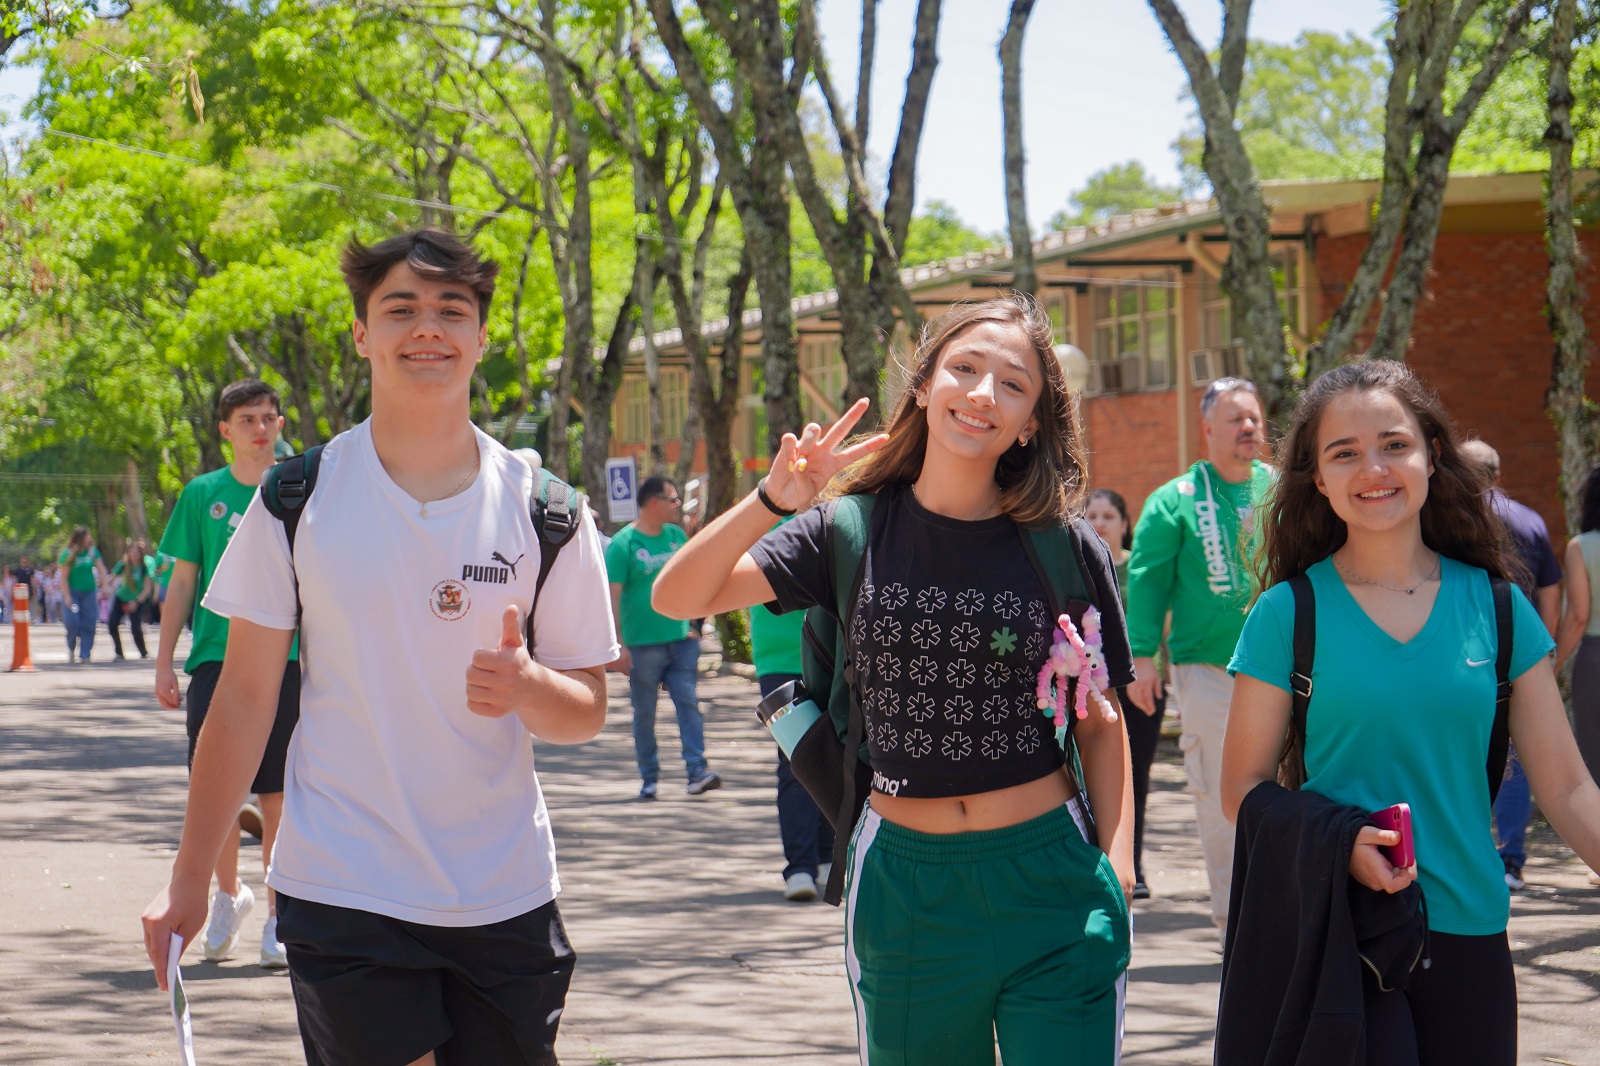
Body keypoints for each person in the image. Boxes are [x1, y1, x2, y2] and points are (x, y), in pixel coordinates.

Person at [142, 229, 616, 1066]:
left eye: (450, 311)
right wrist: (188, 880)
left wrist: (530, 685)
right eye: (400, 309)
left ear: (481, 338)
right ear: (363, 334)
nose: (425, 327)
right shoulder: (297, 498)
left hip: (502, 891)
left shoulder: (549, 512)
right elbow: (246, 698)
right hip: (343, 883)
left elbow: (585, 710)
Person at [652, 296, 1134, 1065]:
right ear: (924, 385)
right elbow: (677, 596)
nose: (983, 393)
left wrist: (1117, 869)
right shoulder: (848, 527)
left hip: (1053, 879)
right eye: (965, 368)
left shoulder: (1068, 550)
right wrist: (775, 499)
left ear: (1032, 422)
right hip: (906, 892)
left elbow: (1098, 721)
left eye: (1013, 385)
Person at [1223, 361, 1600, 1063]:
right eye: (1345, 452)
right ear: (1318, 480)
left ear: (1431, 454)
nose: (1374, 467)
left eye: (1394, 443)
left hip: (1471, 936)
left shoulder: (1499, 608)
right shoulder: (1286, 615)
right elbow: (1241, 788)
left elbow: (1570, 789)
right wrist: (1342, 843)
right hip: (1344, 938)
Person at [152, 379, 302, 968]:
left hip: (286, 658)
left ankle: (276, 913)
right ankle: (226, 896)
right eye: (247, 419)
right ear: (225, 429)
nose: (261, 429)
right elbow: (183, 582)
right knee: (213, 785)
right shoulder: (202, 495)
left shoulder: (296, 491)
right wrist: (164, 660)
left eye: (270, 418)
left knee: (278, 792)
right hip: (217, 656)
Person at [1124, 377, 1272, 932]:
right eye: (1235, 419)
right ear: (1207, 429)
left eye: (1254, 418)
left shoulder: (1281, 491)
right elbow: (1147, 580)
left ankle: (1285, 914)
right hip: (1208, 673)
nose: (1248, 428)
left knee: (1288, 790)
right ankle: (1235, 919)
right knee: (1220, 793)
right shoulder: (1175, 500)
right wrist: (1142, 657)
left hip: (1282, 672)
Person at [1460, 439, 1563, 892]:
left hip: (1465, 653)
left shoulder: (1453, 521)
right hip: (1522, 654)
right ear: (1498, 475)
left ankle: (1467, 852)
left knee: (1462, 755)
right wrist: (1546, 655)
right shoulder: (1532, 520)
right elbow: (1552, 597)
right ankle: (1513, 859)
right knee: (1516, 761)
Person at [605, 475, 720, 799]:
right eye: (672, 499)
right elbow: (611, 598)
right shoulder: (623, 544)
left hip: (680, 640)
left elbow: (691, 579)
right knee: (645, 713)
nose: (677, 505)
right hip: (642, 647)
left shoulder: (675, 536)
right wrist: (618, 645)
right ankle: (649, 777)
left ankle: (697, 771)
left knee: (688, 703)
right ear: (653, 503)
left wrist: (696, 621)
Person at [1088, 487, 1164, 901]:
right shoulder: (1076, 567)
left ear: (1124, 524)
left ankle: (1131, 864)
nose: (1099, 523)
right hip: (1089, 691)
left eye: (1108, 516)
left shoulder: (1141, 571)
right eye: (1092, 515)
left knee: (1136, 775)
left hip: (1140, 689)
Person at [750, 593, 835, 901]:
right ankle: (800, 866)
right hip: (780, 658)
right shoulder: (750, 541)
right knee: (794, 761)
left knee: (832, 755)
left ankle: (827, 857)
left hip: (831, 651)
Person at [1554, 461, 1600, 886]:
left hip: (1595, 659)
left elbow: (1578, 615)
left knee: (1594, 753)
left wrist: (1550, 666)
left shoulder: (1581, 546)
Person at [59, 527, 109, 662]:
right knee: (72, 622)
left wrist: (105, 585)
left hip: (89, 593)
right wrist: (67, 596)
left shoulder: (92, 552)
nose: (89, 539)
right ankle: (71, 646)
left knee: (90, 622)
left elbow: (102, 569)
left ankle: (85, 653)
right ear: (79, 538)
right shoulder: (68, 554)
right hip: (72, 592)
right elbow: (63, 577)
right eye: (87, 536)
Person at [107, 538, 156, 660]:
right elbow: (109, 580)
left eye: (137, 553)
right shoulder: (123, 565)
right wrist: (103, 588)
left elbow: (147, 589)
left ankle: (143, 652)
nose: (134, 556)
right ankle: (119, 652)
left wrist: (136, 602)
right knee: (112, 624)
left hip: (137, 599)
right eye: (132, 553)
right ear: (127, 553)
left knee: (135, 627)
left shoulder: (145, 568)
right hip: (121, 597)